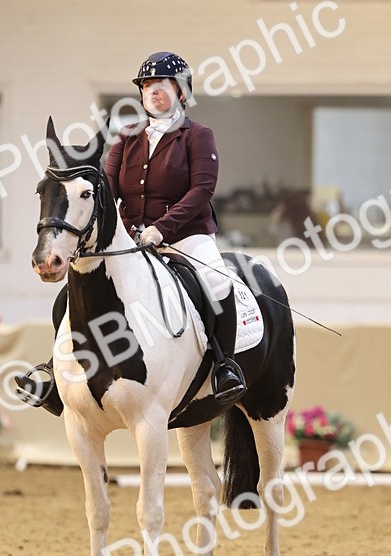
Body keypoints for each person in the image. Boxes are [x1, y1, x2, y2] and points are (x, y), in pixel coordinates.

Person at [18, 50, 247, 413]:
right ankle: (54, 372)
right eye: (146, 85)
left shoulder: (199, 136)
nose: (152, 91)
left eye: (161, 85)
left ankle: (223, 367)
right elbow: (107, 190)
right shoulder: (127, 136)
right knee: (72, 291)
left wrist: (161, 229)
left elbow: (201, 191)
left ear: (182, 92)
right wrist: (112, 232)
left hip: (187, 236)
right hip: (132, 240)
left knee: (217, 283)